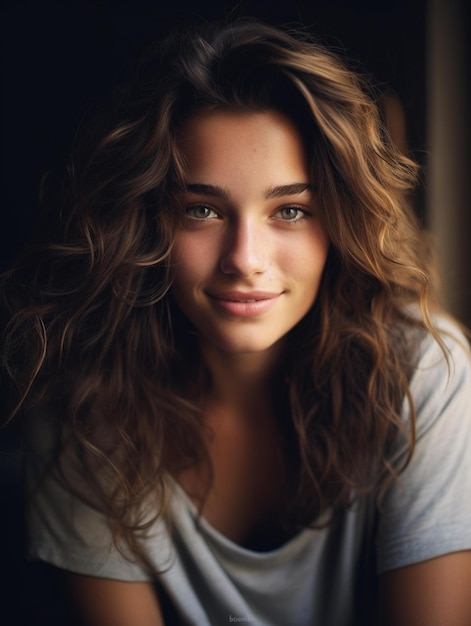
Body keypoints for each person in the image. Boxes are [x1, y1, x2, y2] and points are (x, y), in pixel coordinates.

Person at [1, 19, 471, 626]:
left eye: (291, 211)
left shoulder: (425, 373)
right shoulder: (84, 411)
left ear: (341, 223)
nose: (245, 258)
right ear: (147, 224)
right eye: (201, 209)